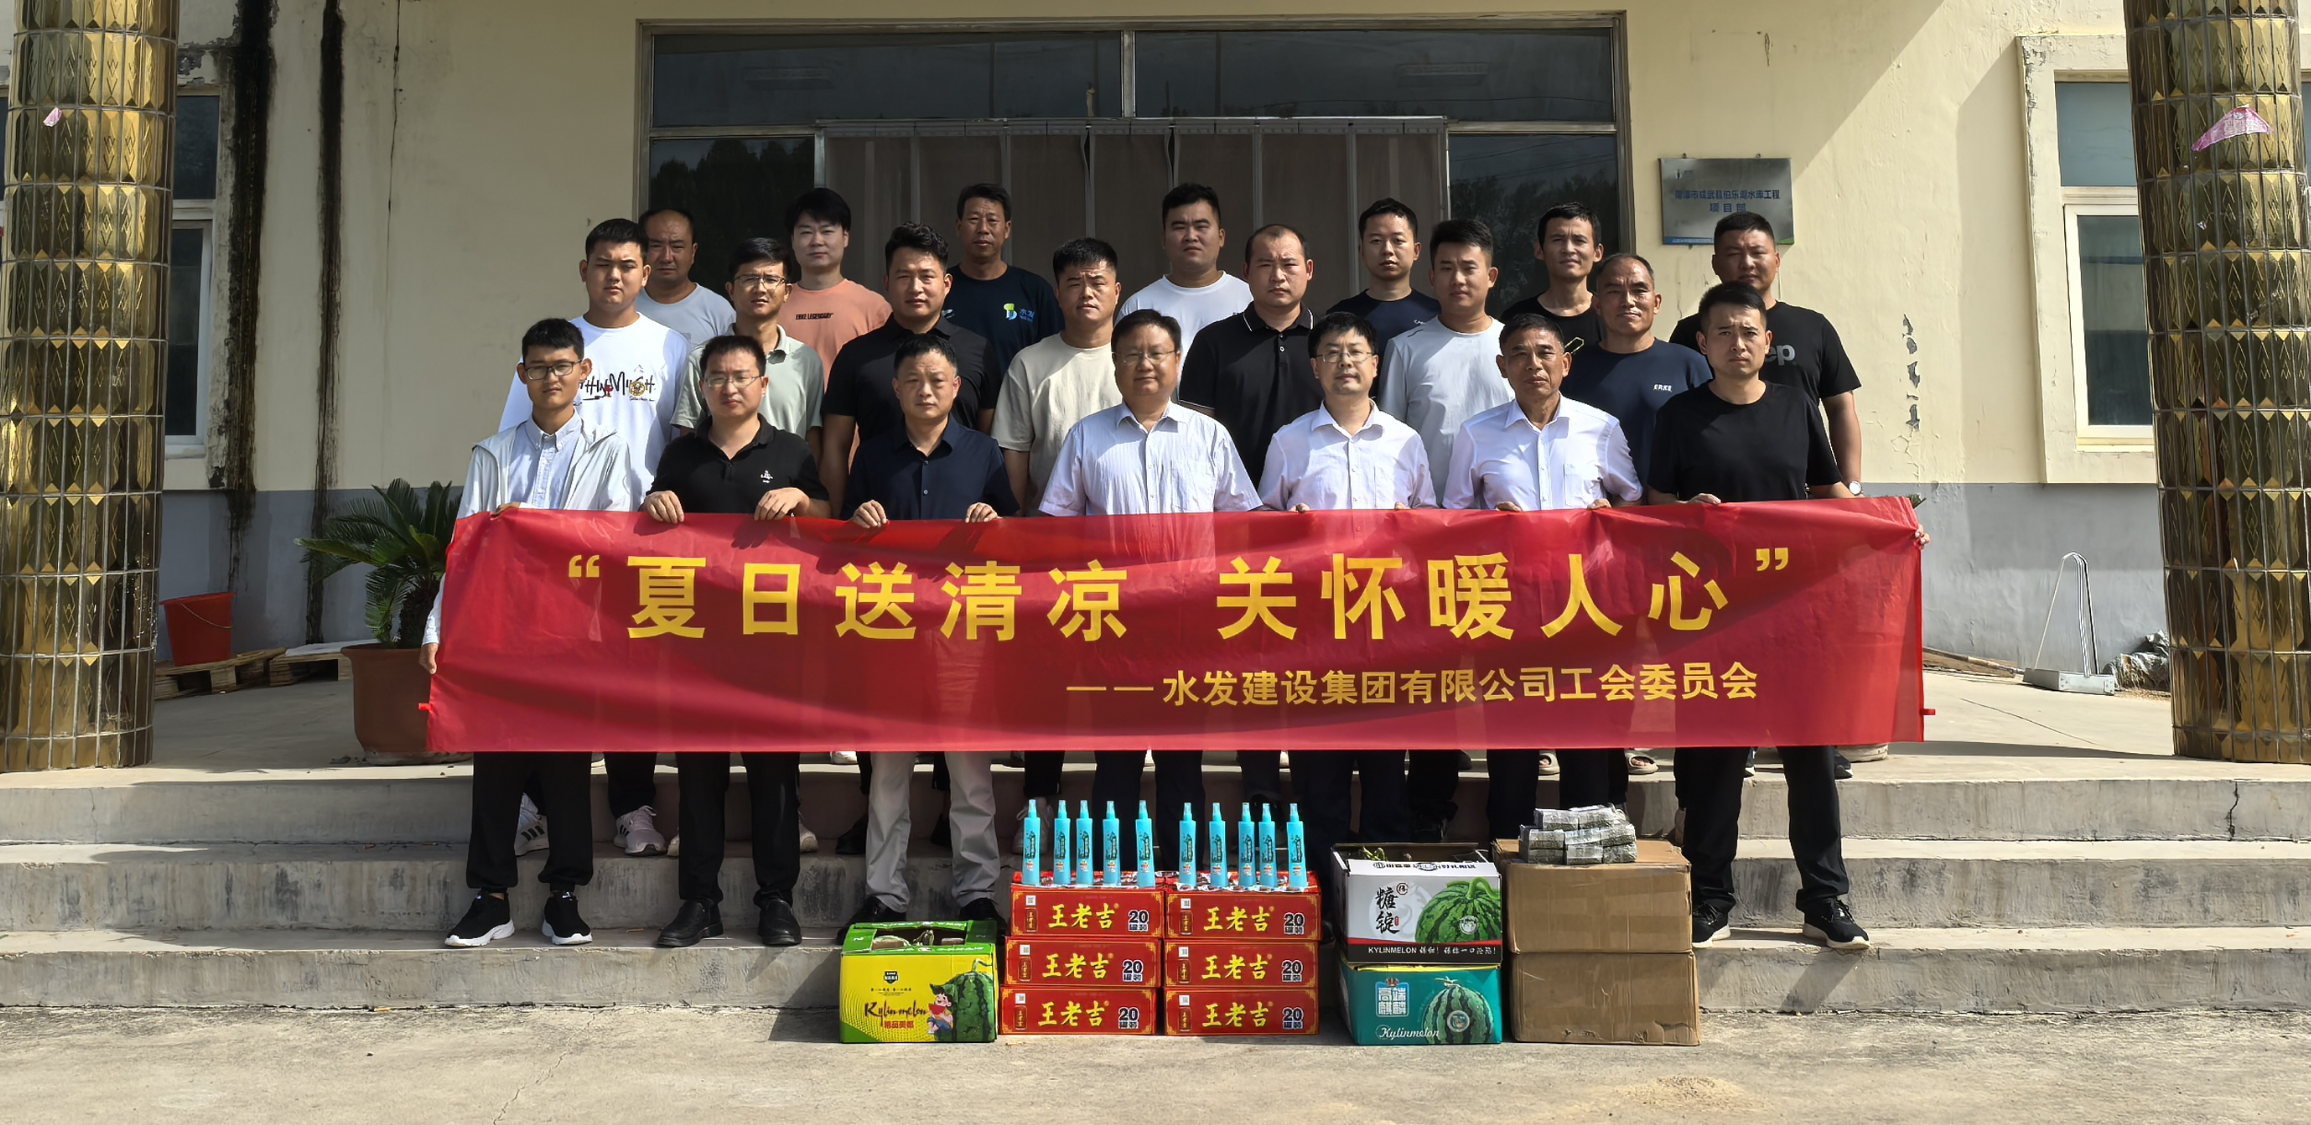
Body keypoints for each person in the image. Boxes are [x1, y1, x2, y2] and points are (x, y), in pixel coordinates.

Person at [1649, 283, 1919, 952]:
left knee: (1811, 761)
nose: (1736, 342)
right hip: (1715, 619)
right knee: (1713, 766)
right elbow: (1652, 504)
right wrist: (1687, 512)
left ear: (1767, 342)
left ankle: (1824, 900)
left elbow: (1827, 491)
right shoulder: (1680, 415)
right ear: (1702, 343)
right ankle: (1711, 898)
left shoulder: (1796, 405)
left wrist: (1888, 525)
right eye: (1722, 332)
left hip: (1795, 614)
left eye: (1749, 331)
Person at [428, 318, 639, 949]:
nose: (551, 377)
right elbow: (464, 550)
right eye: (539, 367)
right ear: (522, 375)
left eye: (562, 366)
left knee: (567, 762)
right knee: (495, 761)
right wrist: (437, 626)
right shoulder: (492, 454)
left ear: (584, 372)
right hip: (501, 628)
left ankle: (564, 895)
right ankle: (490, 897)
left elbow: (616, 539)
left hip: (572, 632)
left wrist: (541, 527)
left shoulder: (609, 451)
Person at [1040, 308, 1261, 869]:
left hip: (1191, 626)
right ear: (1115, 366)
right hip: (1114, 624)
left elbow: (1245, 526)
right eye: (1132, 354)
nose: (1145, 364)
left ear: (1177, 363)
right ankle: (1114, 879)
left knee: (1182, 761)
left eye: (1157, 353)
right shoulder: (1086, 436)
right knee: (1116, 761)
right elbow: (1056, 529)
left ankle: (1183, 877)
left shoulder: (1209, 436)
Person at [491, 218, 684, 857]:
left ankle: (634, 808)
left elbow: (682, 443)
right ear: (584, 270)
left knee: (629, 680)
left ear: (646, 273)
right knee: (553, 681)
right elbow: (515, 443)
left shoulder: (671, 347)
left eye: (627, 265)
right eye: (603, 264)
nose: (615, 276)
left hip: (636, 539)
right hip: (555, 550)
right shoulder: (556, 347)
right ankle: (538, 806)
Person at [1665, 211, 1876, 774]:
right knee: (1725, 649)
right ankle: (1735, 747)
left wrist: (1859, 503)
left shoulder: (1811, 330)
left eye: (1757, 251)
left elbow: (1840, 413)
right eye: (1733, 253)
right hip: (1717, 541)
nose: (1746, 262)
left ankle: (1809, 743)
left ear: (1777, 260)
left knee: (1798, 644)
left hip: (1793, 528)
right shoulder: (1689, 340)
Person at [643, 334, 830, 949]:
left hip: (771, 638)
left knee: (775, 776)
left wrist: (802, 497)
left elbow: (829, 520)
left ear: (763, 384)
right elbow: (650, 531)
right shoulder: (681, 455)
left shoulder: (792, 450)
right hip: (698, 640)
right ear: (702, 387)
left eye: (742, 376)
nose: (730, 387)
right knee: (700, 776)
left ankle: (777, 900)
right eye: (718, 377)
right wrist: (654, 501)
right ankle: (700, 902)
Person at [1441, 314, 1641, 840]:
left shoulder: (1600, 428)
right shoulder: (1477, 433)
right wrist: (1490, 524)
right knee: (1513, 740)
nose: (1534, 364)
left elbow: (1634, 501)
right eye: (1520, 355)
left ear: (1565, 363)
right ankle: (1507, 851)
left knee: (1585, 736)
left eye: (1545, 353)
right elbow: (1452, 517)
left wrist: (1610, 515)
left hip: (1586, 604)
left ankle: (1585, 851)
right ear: (1502, 366)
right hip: (1510, 606)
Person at [842, 336, 1018, 932]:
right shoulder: (873, 456)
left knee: (970, 774)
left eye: (937, 380)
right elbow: (842, 544)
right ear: (896, 388)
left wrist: (995, 520)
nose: (926, 390)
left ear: (956, 388)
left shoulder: (983, 452)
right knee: (888, 776)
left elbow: (1013, 536)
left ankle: (977, 893)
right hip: (891, 635)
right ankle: (883, 895)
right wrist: (857, 521)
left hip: (962, 634)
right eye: (913, 380)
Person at [1257, 310, 1430, 903]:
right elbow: (1261, 528)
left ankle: (1387, 905)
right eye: (1331, 353)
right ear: (1315, 367)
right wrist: (1289, 527)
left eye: (1356, 352)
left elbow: (1431, 526)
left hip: (1387, 630)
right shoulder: (1289, 441)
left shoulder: (1406, 441)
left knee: (1385, 775)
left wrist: (1412, 529)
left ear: (1376, 365)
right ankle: (1325, 905)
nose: (1345, 363)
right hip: (1315, 633)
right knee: (1320, 778)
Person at [1177, 222, 1322, 814]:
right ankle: (1259, 784)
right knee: (1251, 661)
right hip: (1234, 530)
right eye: (1265, 264)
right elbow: (1193, 440)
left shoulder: (1331, 340)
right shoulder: (1214, 343)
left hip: (1313, 530)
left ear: (1308, 270)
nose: (1277, 274)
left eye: (1289, 263)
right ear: (1245, 272)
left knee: (1312, 660)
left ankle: (1314, 785)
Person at [1376, 218, 1509, 841]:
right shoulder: (1407, 348)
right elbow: (1389, 438)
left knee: (1506, 669)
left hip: (1508, 538)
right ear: (1430, 276)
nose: (1459, 279)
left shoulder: (1517, 346)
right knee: (1436, 674)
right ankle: (1430, 807)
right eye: (1447, 268)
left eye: (1470, 267)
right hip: (1427, 537)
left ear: (1492, 276)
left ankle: (1513, 809)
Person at [990, 237, 1127, 826]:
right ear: (1057, 293)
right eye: (1074, 283)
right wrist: (1023, 540)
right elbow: (1015, 457)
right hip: (1052, 548)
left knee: (1119, 679)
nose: (1086, 293)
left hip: (1130, 554)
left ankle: (1117, 800)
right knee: (1047, 679)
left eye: (1097, 282)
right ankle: (1040, 797)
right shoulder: (1032, 362)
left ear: (1117, 290)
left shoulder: (1139, 355)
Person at [820, 222, 1003, 515]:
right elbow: (834, 450)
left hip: (962, 523)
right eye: (904, 276)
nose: (915, 287)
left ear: (947, 284)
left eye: (926, 276)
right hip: (878, 521)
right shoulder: (856, 356)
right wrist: (837, 526)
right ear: (886, 282)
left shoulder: (978, 352)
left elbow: (991, 438)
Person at [1564, 253, 1712, 487]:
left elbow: (1710, 443)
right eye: (1614, 291)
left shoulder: (1689, 364)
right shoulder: (1572, 369)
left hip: (1671, 504)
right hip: (1596, 504)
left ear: (1657, 302)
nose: (1628, 301)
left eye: (1639, 290)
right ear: (1597, 304)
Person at [671, 237, 825, 456]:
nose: (760, 288)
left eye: (771, 279)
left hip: (788, 477)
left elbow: (813, 441)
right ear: (730, 290)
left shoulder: (806, 361)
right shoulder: (702, 359)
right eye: (749, 279)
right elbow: (689, 440)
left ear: (787, 292)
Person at [945, 183, 1063, 375]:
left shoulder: (1035, 291)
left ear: (1007, 229)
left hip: (1019, 395)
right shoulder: (940, 288)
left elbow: (1055, 358)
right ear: (959, 227)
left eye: (992, 220)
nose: (983, 229)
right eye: (974, 219)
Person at [1118, 183, 1254, 349]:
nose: (1190, 236)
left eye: (1201, 227)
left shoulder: (1251, 300)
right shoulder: (1138, 306)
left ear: (1221, 237)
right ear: (1164, 239)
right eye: (1179, 227)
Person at [781, 187, 892, 367]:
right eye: (806, 232)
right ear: (793, 240)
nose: (817, 241)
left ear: (845, 237)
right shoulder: (774, 304)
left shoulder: (873, 308)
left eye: (827, 231)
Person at [1328, 198, 1440, 346]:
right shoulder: (1340, 316)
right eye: (1376, 241)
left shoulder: (1438, 315)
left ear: (1416, 250)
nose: (1387, 250)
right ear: (1362, 251)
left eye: (1398, 240)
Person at [1502, 202, 1607, 354]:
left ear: (1597, 252)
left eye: (1579, 240)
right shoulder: (1515, 319)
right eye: (1558, 240)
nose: (1568, 249)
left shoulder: (1611, 316)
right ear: (1539, 250)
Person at [636, 207, 736, 347]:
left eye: (677, 247)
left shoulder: (718, 311)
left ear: (693, 252)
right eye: (656, 246)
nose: (666, 257)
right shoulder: (624, 305)